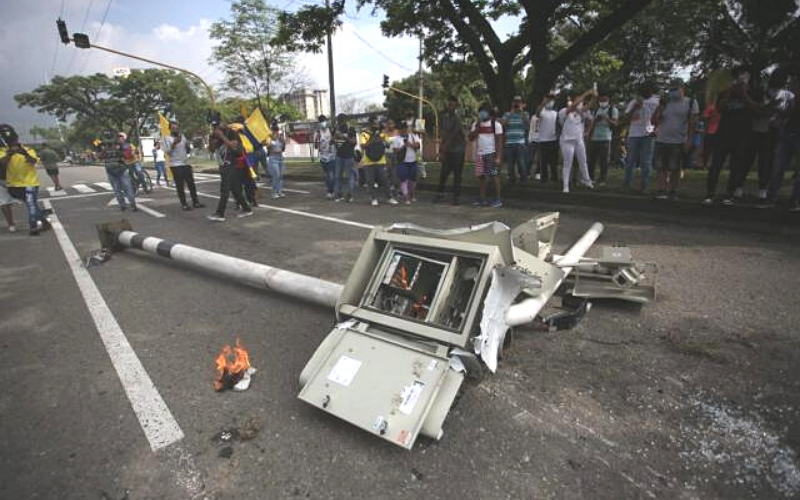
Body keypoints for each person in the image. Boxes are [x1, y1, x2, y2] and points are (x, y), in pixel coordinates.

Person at [704, 67, 760, 205]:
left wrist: (744, 94)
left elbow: (757, 109)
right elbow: (719, 108)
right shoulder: (725, 92)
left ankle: (730, 194)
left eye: (744, 77)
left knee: (736, 165)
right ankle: (710, 193)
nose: (741, 79)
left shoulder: (753, 93)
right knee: (716, 163)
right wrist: (730, 93)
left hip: (742, 134)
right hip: (723, 133)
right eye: (738, 77)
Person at [652, 80, 699, 199]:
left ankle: (673, 191)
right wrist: (659, 110)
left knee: (675, 168)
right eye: (670, 90)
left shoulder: (690, 102)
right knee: (660, 167)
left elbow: (693, 123)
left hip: (678, 141)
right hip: (661, 139)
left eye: (675, 89)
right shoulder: (665, 103)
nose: (672, 92)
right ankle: (661, 190)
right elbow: (654, 122)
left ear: (682, 89)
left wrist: (689, 140)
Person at [0, 124, 50, 236]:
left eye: (14, 140)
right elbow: (2, 163)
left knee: (31, 204)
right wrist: (10, 154)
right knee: (30, 203)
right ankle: (44, 221)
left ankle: (33, 226)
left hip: (30, 182)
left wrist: (24, 153)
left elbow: (33, 161)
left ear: (17, 139)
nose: (13, 143)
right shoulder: (3, 151)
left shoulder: (28, 149)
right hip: (14, 185)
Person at [763, 80, 799, 210]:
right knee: (778, 167)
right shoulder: (792, 97)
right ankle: (772, 197)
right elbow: (787, 113)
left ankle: (795, 200)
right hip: (788, 132)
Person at [207, 123, 253, 221]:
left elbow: (233, 146)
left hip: (230, 165)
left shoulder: (232, 133)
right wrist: (211, 138)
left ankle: (220, 213)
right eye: (215, 126)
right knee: (236, 190)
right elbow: (211, 149)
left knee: (224, 190)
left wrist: (222, 136)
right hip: (223, 165)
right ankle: (246, 209)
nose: (217, 128)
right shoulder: (216, 136)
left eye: (219, 125)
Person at [559, 89, 596, 193]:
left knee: (583, 161)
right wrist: (586, 93)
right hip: (567, 140)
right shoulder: (564, 111)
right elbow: (573, 106)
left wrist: (594, 97)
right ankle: (565, 185)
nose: (581, 102)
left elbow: (588, 107)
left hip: (578, 140)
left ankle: (587, 180)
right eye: (578, 99)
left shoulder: (582, 112)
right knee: (568, 163)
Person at [624, 84, 660, 191]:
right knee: (630, 160)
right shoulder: (634, 101)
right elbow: (626, 118)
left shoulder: (657, 101)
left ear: (651, 91)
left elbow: (661, 116)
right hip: (634, 134)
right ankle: (627, 184)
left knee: (646, 161)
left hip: (649, 133)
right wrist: (635, 107)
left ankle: (645, 185)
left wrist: (656, 130)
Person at [469, 102, 504, 207]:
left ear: (489, 113)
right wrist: (477, 127)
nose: (482, 114)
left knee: (494, 176)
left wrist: (498, 157)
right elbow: (471, 138)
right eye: (481, 112)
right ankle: (482, 198)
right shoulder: (476, 124)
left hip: (491, 154)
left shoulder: (496, 125)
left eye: (484, 112)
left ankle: (498, 199)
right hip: (480, 154)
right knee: (481, 177)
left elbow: (499, 142)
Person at [163, 121, 203, 210]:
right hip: (175, 165)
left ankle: (196, 202)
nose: (175, 130)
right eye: (173, 128)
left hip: (186, 163)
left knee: (191, 184)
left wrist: (188, 146)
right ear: (170, 129)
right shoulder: (167, 138)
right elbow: (168, 152)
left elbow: (187, 151)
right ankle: (184, 204)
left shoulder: (183, 136)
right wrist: (174, 143)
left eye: (177, 128)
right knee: (180, 185)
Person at [359, 117, 398, 207]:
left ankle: (389, 197)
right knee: (370, 181)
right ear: (370, 124)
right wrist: (373, 137)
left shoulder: (382, 134)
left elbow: (388, 145)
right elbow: (363, 146)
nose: (376, 126)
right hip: (369, 162)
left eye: (377, 124)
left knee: (385, 180)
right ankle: (373, 198)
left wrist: (382, 138)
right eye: (374, 124)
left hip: (381, 161)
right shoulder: (364, 134)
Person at [435, 95, 466, 204]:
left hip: (458, 149)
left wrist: (444, 150)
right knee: (444, 173)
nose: (450, 107)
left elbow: (453, 135)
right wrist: (441, 148)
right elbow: (444, 134)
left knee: (457, 174)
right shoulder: (444, 118)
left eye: (453, 105)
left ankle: (456, 197)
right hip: (448, 149)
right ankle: (440, 194)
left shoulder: (457, 118)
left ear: (456, 106)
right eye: (449, 104)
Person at [98, 130, 137, 213]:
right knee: (123, 189)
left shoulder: (119, 145)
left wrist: (116, 150)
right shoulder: (104, 146)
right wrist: (105, 150)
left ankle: (128, 205)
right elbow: (100, 157)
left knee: (121, 189)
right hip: (114, 170)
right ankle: (128, 205)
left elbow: (127, 155)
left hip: (119, 169)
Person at [586, 94, 619, 186]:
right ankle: (591, 178)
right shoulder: (596, 109)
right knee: (591, 160)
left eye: (604, 100)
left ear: (608, 100)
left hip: (605, 138)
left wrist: (607, 119)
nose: (602, 102)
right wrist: (595, 121)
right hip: (594, 138)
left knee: (603, 160)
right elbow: (591, 122)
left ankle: (602, 179)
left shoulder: (613, 110)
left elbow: (616, 123)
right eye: (601, 100)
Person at [502, 95, 530, 183]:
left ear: (522, 103)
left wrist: (521, 112)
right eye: (515, 102)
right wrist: (511, 112)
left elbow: (528, 125)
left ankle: (523, 180)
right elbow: (503, 124)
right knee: (510, 164)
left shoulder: (525, 114)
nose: (517, 104)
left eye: (519, 102)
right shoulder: (507, 114)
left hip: (520, 142)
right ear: (512, 103)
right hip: (509, 142)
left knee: (521, 163)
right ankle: (511, 180)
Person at [391, 121, 421, 204]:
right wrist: (403, 146)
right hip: (402, 162)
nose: (403, 131)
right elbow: (395, 150)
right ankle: (406, 197)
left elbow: (418, 145)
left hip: (413, 161)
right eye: (401, 129)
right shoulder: (396, 139)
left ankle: (412, 195)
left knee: (412, 180)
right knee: (404, 180)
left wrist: (409, 144)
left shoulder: (413, 136)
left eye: (405, 128)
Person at [535, 94, 560, 184]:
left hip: (553, 140)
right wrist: (543, 103)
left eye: (552, 100)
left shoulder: (555, 113)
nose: (551, 102)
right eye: (549, 100)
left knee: (553, 161)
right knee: (544, 161)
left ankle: (554, 178)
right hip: (543, 140)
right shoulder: (543, 112)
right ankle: (544, 178)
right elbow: (537, 113)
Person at [333, 114, 358, 202]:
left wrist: (344, 136)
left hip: (349, 156)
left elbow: (354, 142)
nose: (340, 123)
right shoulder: (336, 129)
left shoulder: (351, 129)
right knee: (338, 176)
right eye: (339, 121)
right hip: (339, 155)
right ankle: (338, 194)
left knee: (350, 176)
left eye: (341, 121)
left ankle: (350, 195)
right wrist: (335, 137)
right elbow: (333, 142)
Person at [315, 115, 337, 200]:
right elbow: (316, 147)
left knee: (332, 175)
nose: (323, 123)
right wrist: (317, 140)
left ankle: (331, 191)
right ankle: (330, 191)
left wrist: (333, 140)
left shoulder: (330, 130)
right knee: (328, 175)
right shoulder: (317, 133)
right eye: (321, 122)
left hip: (332, 156)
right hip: (323, 158)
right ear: (319, 123)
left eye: (324, 121)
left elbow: (335, 141)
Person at [266, 122, 286, 199]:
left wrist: (283, 142)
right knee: (276, 175)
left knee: (281, 176)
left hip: (280, 158)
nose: (277, 132)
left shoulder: (280, 138)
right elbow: (268, 147)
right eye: (275, 131)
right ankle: (274, 192)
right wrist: (271, 140)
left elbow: (283, 149)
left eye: (277, 131)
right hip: (273, 158)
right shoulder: (269, 138)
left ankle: (279, 191)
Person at [701, 98, 721, 169]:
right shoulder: (713, 108)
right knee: (710, 150)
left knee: (709, 150)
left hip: (712, 132)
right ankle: (707, 165)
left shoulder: (711, 108)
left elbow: (705, 119)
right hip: (713, 132)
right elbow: (705, 119)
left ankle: (706, 165)